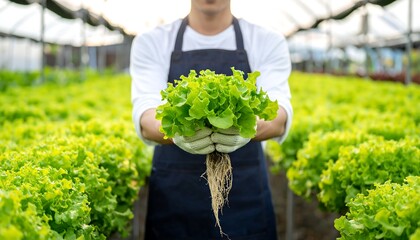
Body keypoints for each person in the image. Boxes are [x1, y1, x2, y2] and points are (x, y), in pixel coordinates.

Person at [130, 0, 293, 239]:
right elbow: (146, 114)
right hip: (175, 197)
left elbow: (278, 113)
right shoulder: (152, 41)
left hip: (245, 197)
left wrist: (245, 128)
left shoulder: (266, 40)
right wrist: (177, 132)